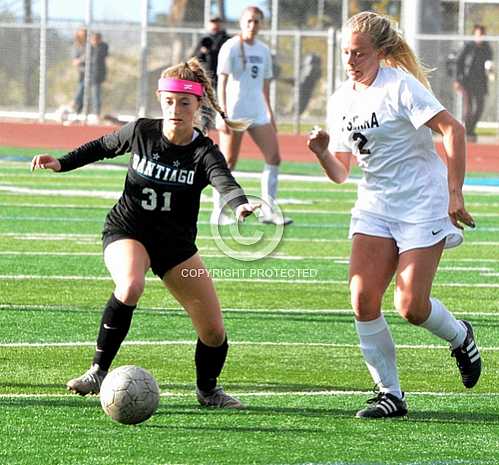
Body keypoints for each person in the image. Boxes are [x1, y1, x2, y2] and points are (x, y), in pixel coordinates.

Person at [31, 57, 257, 409]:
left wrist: (239, 203)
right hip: (127, 229)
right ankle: (97, 372)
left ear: (198, 104)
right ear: (159, 99)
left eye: (184, 102)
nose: (176, 109)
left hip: (175, 246)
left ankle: (208, 391)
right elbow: (102, 146)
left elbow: (223, 180)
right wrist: (62, 163)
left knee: (213, 332)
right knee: (131, 284)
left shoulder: (203, 151)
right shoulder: (141, 131)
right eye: (169, 101)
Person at [308, 11, 481, 419]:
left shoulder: (400, 86)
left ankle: (460, 337)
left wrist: (455, 194)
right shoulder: (341, 99)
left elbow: (453, 129)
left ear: (381, 52)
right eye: (346, 53)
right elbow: (342, 172)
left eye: (360, 54)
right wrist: (321, 153)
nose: (351, 61)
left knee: (411, 307)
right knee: (362, 299)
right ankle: (390, 394)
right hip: (375, 203)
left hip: (422, 201)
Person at [213, 5, 292, 226]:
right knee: (228, 161)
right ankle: (219, 210)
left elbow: (265, 85)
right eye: (249, 20)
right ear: (241, 22)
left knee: (274, 157)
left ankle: (269, 211)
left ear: (261, 24)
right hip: (235, 112)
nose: (252, 25)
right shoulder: (230, 47)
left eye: (257, 21)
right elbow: (222, 82)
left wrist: (270, 112)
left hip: (257, 112)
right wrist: (222, 113)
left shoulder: (264, 50)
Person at [454, 24, 493, 142]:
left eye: (482, 34)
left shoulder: (487, 48)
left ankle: (470, 129)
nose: (480, 36)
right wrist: (457, 80)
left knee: (480, 107)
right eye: (478, 34)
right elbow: (458, 62)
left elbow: (490, 64)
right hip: (467, 81)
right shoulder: (468, 46)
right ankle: (467, 131)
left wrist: (491, 71)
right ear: (474, 34)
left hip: (480, 81)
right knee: (468, 108)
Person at [193, 17, 230, 132]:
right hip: (206, 76)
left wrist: (214, 51)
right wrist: (202, 51)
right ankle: (206, 124)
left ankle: (224, 121)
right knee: (205, 100)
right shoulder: (204, 40)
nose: (215, 25)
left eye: (217, 22)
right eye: (212, 22)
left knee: (223, 100)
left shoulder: (226, 40)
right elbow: (195, 58)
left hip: (222, 76)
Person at [89, 32, 109, 119]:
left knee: (95, 94)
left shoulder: (102, 47)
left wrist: (95, 46)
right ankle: (78, 110)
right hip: (85, 74)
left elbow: (98, 58)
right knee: (81, 92)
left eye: (96, 39)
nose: (94, 41)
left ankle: (96, 113)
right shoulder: (89, 47)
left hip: (96, 75)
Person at [72, 27, 87, 114]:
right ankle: (77, 107)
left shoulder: (88, 45)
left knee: (83, 88)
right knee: (81, 86)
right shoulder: (76, 45)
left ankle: (76, 104)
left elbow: (88, 56)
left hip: (90, 72)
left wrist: (81, 60)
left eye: (84, 34)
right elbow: (74, 60)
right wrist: (77, 61)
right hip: (81, 71)